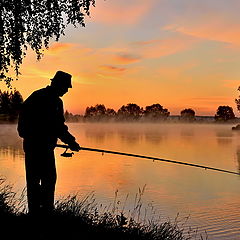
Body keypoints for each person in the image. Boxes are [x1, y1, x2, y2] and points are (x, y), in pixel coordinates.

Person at [17, 71, 81, 216]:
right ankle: (45, 214)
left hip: (39, 147)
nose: (66, 90)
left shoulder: (39, 96)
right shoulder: (51, 100)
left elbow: (57, 126)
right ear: (58, 84)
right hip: (39, 149)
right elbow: (57, 126)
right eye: (66, 87)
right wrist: (71, 142)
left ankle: (36, 214)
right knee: (47, 180)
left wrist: (69, 141)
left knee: (36, 182)